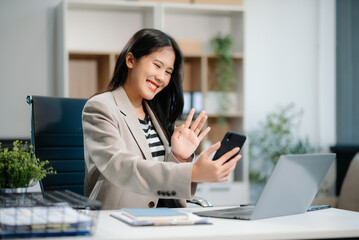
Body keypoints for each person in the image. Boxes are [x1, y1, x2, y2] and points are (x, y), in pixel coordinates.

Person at [82, 28, 241, 210]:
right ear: (131, 60)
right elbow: (120, 167)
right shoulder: (101, 107)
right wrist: (192, 172)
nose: (161, 78)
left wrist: (178, 157)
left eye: (168, 71)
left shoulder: (154, 113)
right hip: (118, 218)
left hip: (161, 219)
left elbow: (159, 186)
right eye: (157, 66)